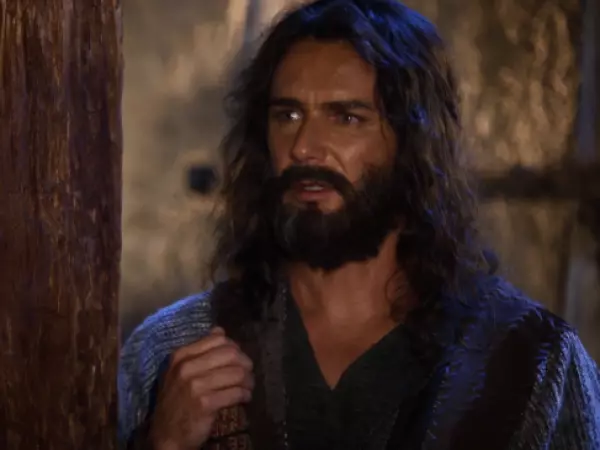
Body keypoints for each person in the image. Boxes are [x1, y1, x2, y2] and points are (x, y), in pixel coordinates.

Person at [118, 0, 600, 449]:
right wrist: (163, 443)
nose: (304, 146)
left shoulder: (534, 363)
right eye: (288, 114)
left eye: (346, 118)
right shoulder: (174, 350)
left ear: (412, 144)